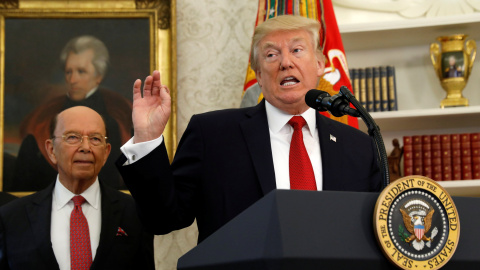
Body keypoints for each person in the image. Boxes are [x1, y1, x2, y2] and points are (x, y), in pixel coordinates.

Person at [116, 15, 382, 243]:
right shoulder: (212, 135)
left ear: (321, 65)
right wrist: (147, 138)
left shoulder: (359, 147)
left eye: (297, 50)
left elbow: (374, 234)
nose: (286, 63)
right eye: (271, 54)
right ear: (257, 72)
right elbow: (163, 219)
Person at [0, 106, 154, 269]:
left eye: (95, 139)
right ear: (51, 150)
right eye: (73, 137)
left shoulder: (134, 213)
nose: (86, 147)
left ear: (106, 153)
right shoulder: (11, 217)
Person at [8, 35, 132, 191]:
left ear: (99, 76)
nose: (72, 79)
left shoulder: (113, 121)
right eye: (68, 72)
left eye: (81, 72)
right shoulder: (43, 118)